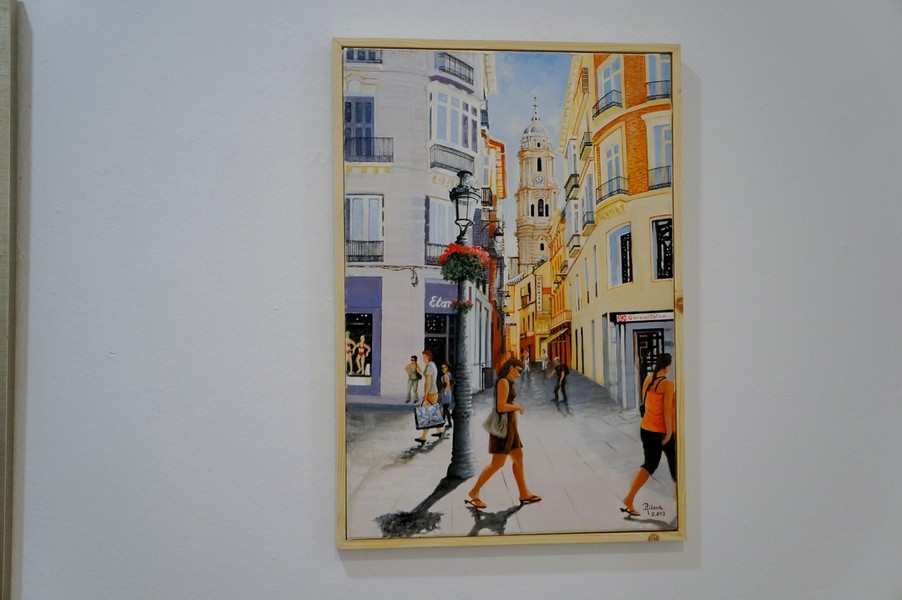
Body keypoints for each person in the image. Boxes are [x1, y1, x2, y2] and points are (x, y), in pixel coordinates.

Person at [465, 358, 541, 508]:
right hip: (503, 429)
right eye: (518, 371)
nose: (519, 375)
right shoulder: (503, 382)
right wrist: (517, 407)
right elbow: (501, 406)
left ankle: (524, 493)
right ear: (511, 367)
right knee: (497, 464)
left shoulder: (508, 382)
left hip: (510, 428)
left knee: (518, 459)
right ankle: (474, 492)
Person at [621, 353, 676, 517]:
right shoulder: (668, 384)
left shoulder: (648, 378)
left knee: (649, 464)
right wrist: (668, 433)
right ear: (668, 366)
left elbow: (645, 402)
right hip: (661, 431)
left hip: (646, 428)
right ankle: (678, 497)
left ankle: (629, 497)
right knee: (676, 463)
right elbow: (666, 411)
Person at [415, 349, 443, 444]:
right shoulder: (432, 365)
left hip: (430, 393)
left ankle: (423, 437)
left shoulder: (429, 367)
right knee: (433, 412)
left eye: (424, 357)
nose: (423, 359)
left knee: (426, 414)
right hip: (434, 392)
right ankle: (439, 430)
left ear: (428, 357)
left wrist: (425, 395)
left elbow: (428, 382)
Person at [439, 362, 453, 428]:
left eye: (444, 367)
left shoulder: (446, 375)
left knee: (445, 408)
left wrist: (445, 392)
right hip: (447, 392)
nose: (443, 369)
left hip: (446, 393)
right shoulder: (448, 374)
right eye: (442, 368)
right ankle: (444, 421)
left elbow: (448, 384)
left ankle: (445, 422)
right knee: (445, 409)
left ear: (447, 368)